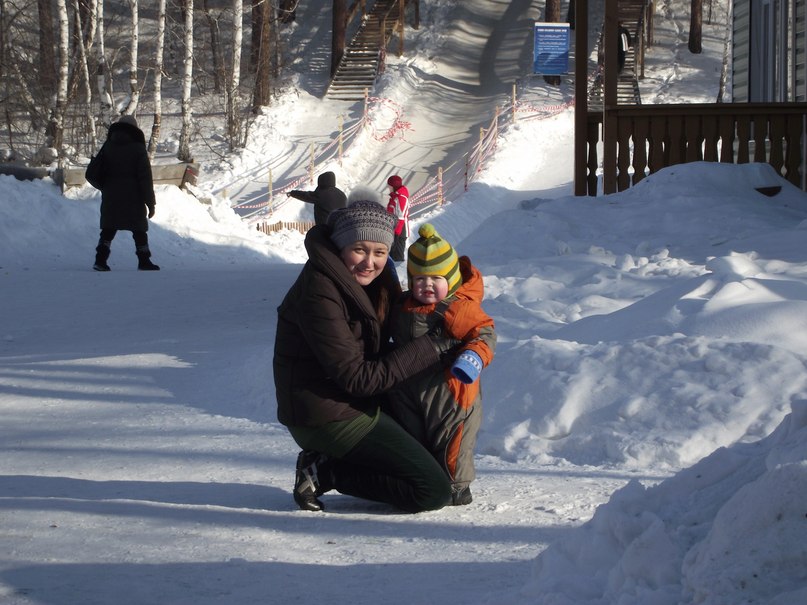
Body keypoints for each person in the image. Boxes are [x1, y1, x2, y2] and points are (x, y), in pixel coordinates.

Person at [273, 193, 455, 513]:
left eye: (379, 252)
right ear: (341, 246)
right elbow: (358, 379)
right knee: (432, 490)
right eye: (359, 249)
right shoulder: (319, 292)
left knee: (429, 450)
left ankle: (333, 461)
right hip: (324, 414)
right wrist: (434, 346)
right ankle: (325, 471)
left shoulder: (376, 277)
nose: (369, 262)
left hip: (359, 401)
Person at [387, 224, 496, 506]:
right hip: (410, 386)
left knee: (452, 438)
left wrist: (473, 356)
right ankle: (421, 478)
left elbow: (484, 332)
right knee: (413, 436)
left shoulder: (456, 307)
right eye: (420, 279)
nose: (427, 285)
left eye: (436, 278)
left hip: (450, 389)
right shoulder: (403, 304)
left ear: (451, 278)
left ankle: (457, 486)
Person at [85, 115, 159, 271]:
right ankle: (144, 261)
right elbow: (145, 178)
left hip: (111, 194)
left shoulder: (108, 146)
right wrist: (150, 203)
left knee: (108, 229)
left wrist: (105, 186)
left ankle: (100, 260)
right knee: (139, 229)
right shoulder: (138, 148)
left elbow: (95, 171)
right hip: (134, 196)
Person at [386, 174, 410, 262]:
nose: (388, 187)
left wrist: (396, 233)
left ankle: (399, 272)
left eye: (389, 185)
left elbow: (401, 216)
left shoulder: (400, 197)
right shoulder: (395, 196)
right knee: (392, 255)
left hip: (400, 230)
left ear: (393, 185)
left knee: (397, 257)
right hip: (395, 227)